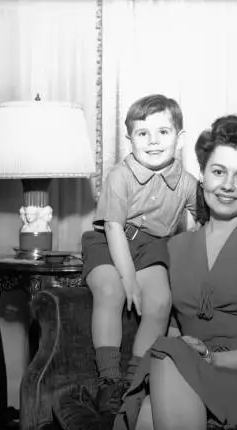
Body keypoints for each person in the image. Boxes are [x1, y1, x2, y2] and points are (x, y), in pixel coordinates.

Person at [118, 115, 237, 430]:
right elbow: (174, 331)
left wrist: (213, 359)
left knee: (164, 367)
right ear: (202, 175)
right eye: (218, 172)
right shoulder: (176, 246)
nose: (227, 186)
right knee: (147, 409)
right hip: (189, 369)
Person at [80, 94, 197, 413]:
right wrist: (128, 278)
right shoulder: (120, 175)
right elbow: (114, 227)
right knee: (110, 289)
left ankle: (135, 380)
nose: (154, 141)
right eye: (143, 133)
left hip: (152, 245)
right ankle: (109, 380)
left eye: (163, 132)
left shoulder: (188, 184)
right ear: (130, 139)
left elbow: (203, 220)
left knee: (159, 302)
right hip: (109, 240)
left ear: (180, 138)